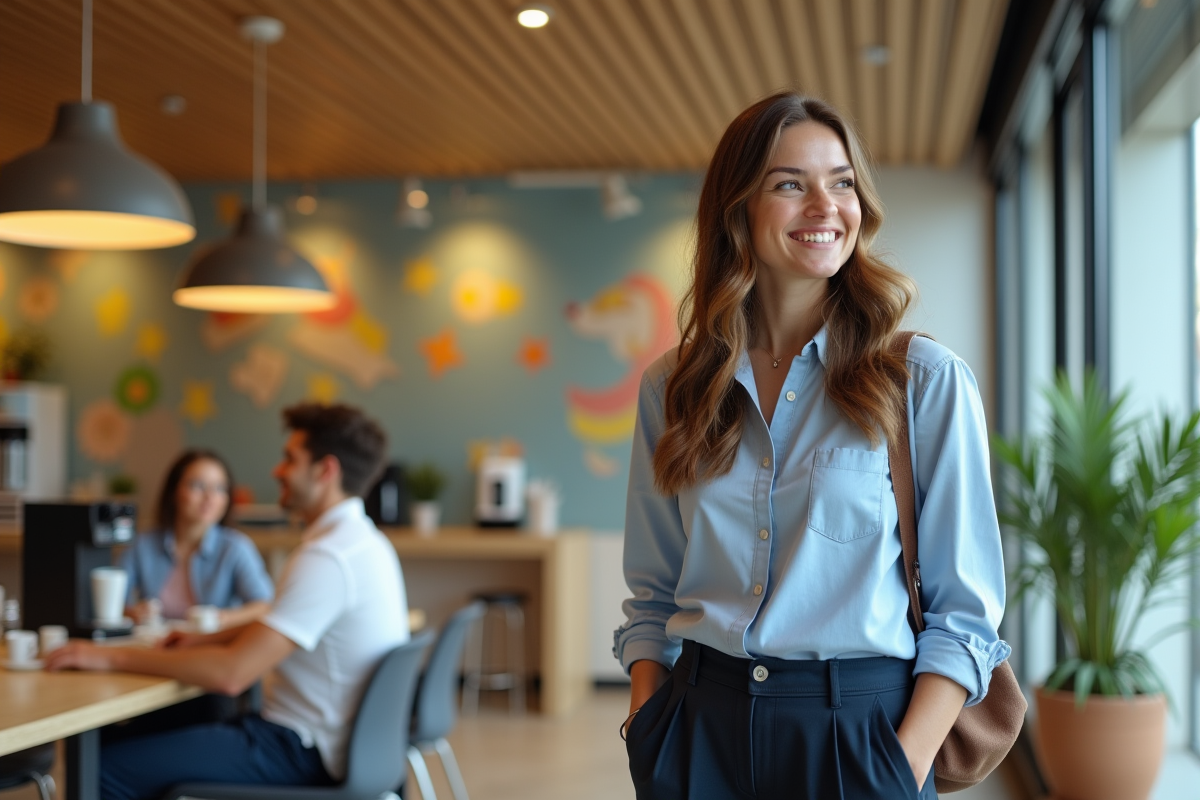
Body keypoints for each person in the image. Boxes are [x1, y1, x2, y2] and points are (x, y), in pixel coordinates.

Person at [613, 92, 1011, 800]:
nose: (826, 206)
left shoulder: (922, 382)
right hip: (699, 729)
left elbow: (967, 616)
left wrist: (898, 769)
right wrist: (650, 723)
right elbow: (653, 591)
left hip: (859, 738)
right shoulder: (673, 386)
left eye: (842, 182)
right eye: (790, 184)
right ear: (737, 209)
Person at [46, 403, 409, 800]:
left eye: (290, 459)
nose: (277, 471)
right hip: (331, 744)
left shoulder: (327, 557)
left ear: (326, 471)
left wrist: (107, 657)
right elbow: (277, 619)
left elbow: (232, 675)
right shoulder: (364, 542)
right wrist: (202, 640)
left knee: (103, 768)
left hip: (296, 750)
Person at [121, 449, 273, 629]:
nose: (209, 497)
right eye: (197, 486)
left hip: (209, 648)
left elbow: (265, 606)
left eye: (219, 488)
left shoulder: (236, 547)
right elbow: (111, 601)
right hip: (153, 646)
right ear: (174, 492)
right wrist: (132, 613)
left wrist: (221, 618)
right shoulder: (143, 544)